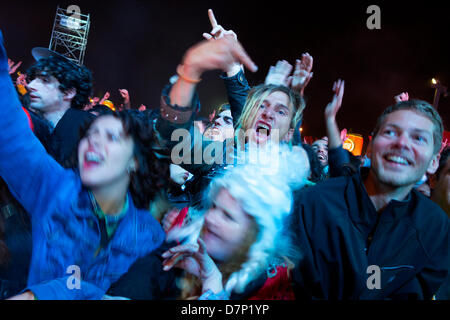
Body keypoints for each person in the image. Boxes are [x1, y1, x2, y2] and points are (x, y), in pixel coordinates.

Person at [0, 32, 168, 299]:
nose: (94, 142)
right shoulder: (54, 187)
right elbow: (8, 128)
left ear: (133, 161)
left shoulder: (150, 235)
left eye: (111, 137)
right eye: (90, 135)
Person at [290, 99, 449, 299]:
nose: (401, 143)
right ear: (371, 147)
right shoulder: (315, 203)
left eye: (418, 138)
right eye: (390, 132)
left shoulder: (435, 227)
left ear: (433, 163)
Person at [161, 147, 309, 300]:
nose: (210, 218)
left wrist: (213, 293)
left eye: (228, 216)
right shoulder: (183, 257)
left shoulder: (269, 292)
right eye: (213, 206)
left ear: (255, 236)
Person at [26, 52, 94, 165]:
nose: (30, 86)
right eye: (34, 79)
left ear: (68, 92)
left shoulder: (88, 129)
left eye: (45, 80)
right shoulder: (30, 123)